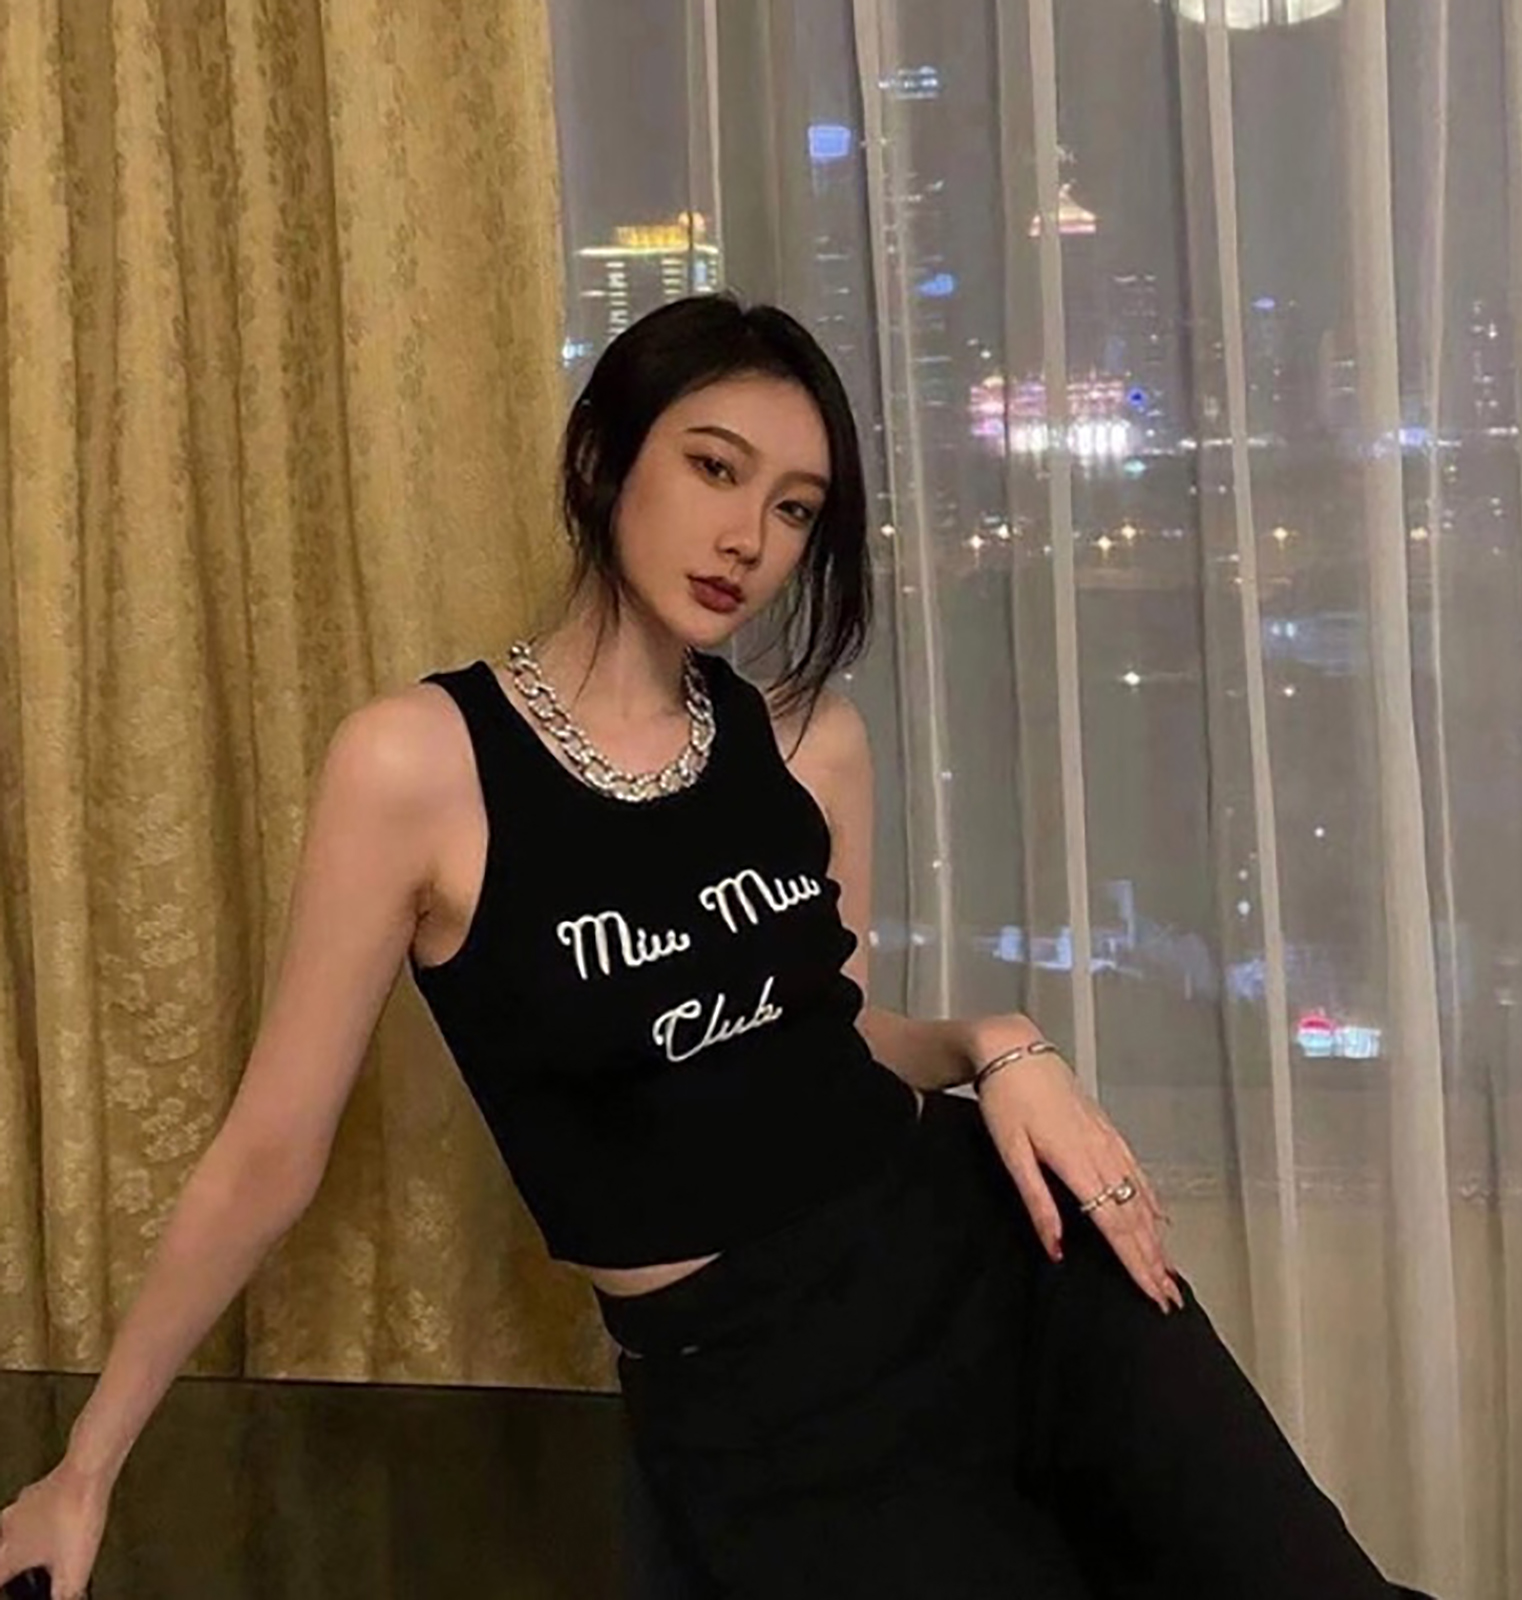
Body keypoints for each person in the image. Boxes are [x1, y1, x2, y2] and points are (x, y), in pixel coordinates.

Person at [0, 294, 1437, 1600]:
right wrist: (86, 1468)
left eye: (796, 507)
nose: (750, 536)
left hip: (1006, 1269)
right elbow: (270, 1152)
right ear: (600, 460)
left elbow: (835, 1032)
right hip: (756, 1400)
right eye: (713, 467)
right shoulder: (416, 765)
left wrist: (998, 1047)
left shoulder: (809, 742)